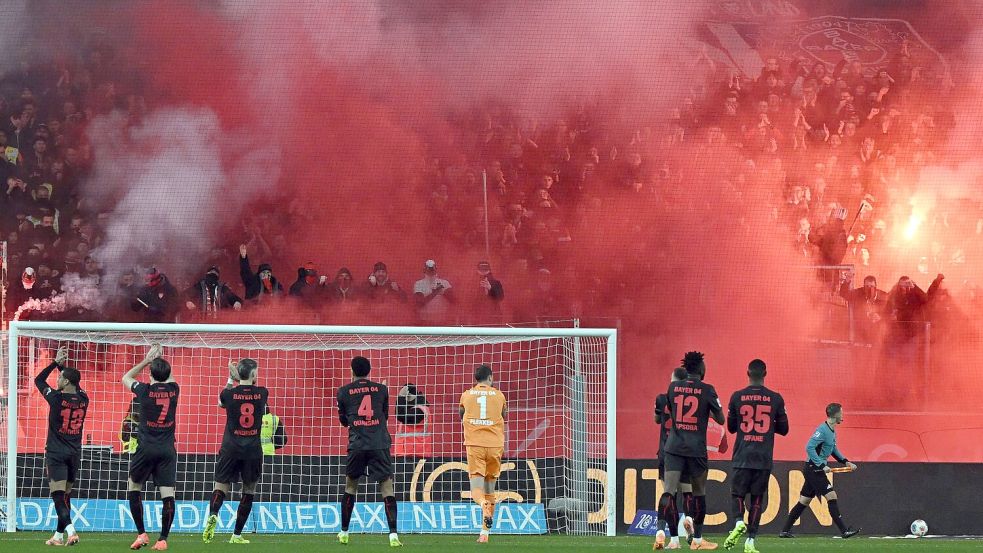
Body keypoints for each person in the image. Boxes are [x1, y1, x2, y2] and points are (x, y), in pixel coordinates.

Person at [654, 351, 724, 550]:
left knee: (668, 490)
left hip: (673, 447)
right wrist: (706, 409)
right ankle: (698, 540)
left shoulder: (673, 387)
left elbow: (670, 413)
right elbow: (721, 419)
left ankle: (661, 532)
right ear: (701, 369)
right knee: (698, 492)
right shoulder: (708, 389)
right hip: (696, 449)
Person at [722, 359, 789, 553]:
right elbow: (784, 429)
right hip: (763, 457)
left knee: (737, 494)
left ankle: (738, 522)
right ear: (765, 374)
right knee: (757, 499)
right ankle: (750, 541)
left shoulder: (737, 397)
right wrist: (768, 426)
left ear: (748, 373)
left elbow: (731, 428)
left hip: (742, 455)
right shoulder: (776, 398)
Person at [335, 356, 402, 547]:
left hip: (357, 444)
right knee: (386, 487)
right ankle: (393, 535)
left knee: (350, 487)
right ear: (369, 370)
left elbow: (344, 421)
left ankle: (344, 532)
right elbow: (385, 416)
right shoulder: (382, 389)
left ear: (351, 371)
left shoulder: (343, 391)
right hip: (379, 443)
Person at [202, 359, 269, 545]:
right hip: (252, 450)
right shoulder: (263, 393)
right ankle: (237, 534)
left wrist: (231, 379)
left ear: (238, 374)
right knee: (249, 490)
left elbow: (221, 403)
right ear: (253, 374)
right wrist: (239, 378)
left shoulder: (229, 394)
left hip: (230, 448)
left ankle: (214, 513)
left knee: (220, 485)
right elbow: (251, 389)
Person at [121, 344, 179, 551]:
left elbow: (126, 377)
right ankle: (162, 540)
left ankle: (142, 534)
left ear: (150, 374)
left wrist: (147, 360)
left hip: (145, 449)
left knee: (134, 486)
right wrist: (161, 361)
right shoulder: (174, 390)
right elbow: (169, 377)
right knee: (168, 494)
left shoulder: (144, 391)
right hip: (167, 450)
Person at [779, 403, 859, 539]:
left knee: (804, 501)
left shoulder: (832, 431)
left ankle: (785, 531)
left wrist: (846, 461)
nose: (842, 415)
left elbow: (833, 449)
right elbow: (809, 447)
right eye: (841, 412)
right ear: (835, 415)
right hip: (813, 469)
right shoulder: (822, 430)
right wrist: (821, 465)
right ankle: (844, 531)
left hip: (814, 469)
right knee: (831, 496)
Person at [34, 346, 87, 546]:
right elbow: (75, 384)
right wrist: (63, 368)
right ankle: (58, 536)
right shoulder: (84, 399)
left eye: (60, 378)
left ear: (65, 382)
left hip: (56, 453)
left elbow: (39, 380)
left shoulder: (56, 398)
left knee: (58, 496)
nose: (57, 380)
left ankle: (71, 531)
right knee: (65, 496)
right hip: (74, 453)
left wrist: (56, 363)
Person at [459, 364, 507, 543]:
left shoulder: (467, 395)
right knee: (489, 489)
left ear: (476, 379)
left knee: (477, 490)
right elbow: (504, 415)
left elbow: (461, 414)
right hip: (495, 445)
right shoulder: (499, 395)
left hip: (475, 445)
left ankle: (482, 504)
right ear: (491, 378)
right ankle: (484, 534)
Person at [654, 367, 695, 545]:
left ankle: (671, 537)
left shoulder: (662, 399)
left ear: (672, 380)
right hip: (686, 451)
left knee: (669, 494)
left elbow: (657, 419)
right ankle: (689, 518)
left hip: (667, 452)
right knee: (688, 492)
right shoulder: (692, 401)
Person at [839, 273, 887, 344]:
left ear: (876, 286)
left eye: (872, 286)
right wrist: (847, 281)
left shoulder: (883, 296)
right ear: (864, 286)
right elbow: (844, 293)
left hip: (877, 332)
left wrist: (881, 316)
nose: (869, 288)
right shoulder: (859, 293)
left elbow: (890, 311)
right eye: (867, 286)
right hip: (861, 331)